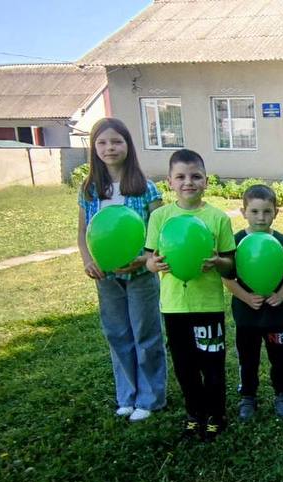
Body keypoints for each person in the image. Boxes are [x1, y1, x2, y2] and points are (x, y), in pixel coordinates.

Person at [76, 117, 167, 423]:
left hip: (140, 276)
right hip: (106, 277)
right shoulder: (90, 189)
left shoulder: (146, 188)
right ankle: (127, 396)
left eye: (116, 141)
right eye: (102, 142)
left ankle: (150, 398)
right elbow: (83, 232)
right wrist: (88, 260)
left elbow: (159, 234)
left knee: (146, 334)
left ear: (128, 145)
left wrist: (143, 259)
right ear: (94, 148)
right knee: (117, 334)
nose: (109, 148)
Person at [144, 149, 236, 442]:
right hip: (174, 307)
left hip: (208, 306)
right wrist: (154, 264)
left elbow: (230, 263)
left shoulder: (218, 218)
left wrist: (217, 262)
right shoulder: (159, 217)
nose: (189, 182)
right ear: (170, 181)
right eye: (181, 177)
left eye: (196, 176)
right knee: (185, 366)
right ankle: (194, 414)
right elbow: (149, 259)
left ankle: (216, 415)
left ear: (206, 181)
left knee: (212, 364)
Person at [222, 185, 283, 421]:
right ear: (243, 212)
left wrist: (281, 295)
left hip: (276, 317)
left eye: (267, 211)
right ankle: (248, 396)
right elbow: (227, 278)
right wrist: (246, 297)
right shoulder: (236, 242)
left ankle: (282, 394)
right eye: (255, 211)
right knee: (248, 359)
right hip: (246, 317)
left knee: (280, 358)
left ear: (276, 213)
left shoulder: (280, 240)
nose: (261, 217)